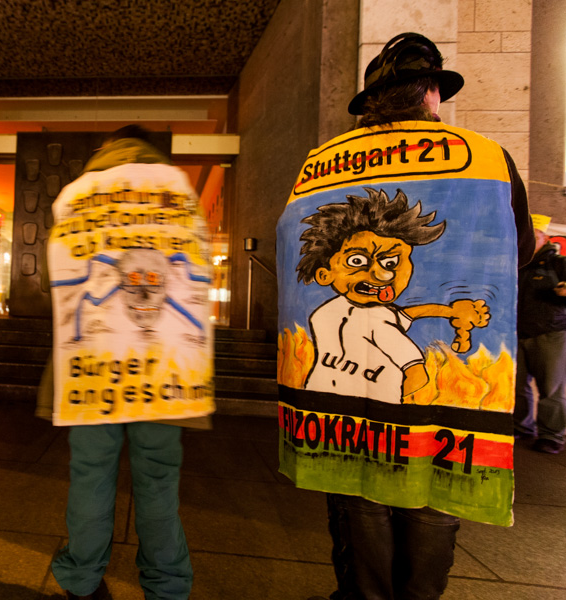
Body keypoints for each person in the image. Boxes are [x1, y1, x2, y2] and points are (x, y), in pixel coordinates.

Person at [274, 33, 533, 600]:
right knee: (434, 492)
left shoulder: (321, 163)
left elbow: (288, 246)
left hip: (340, 402)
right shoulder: (487, 156)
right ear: (433, 92)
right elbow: (520, 250)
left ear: (370, 102)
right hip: (443, 401)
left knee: (357, 490)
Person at [42, 125, 212, 600]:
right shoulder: (179, 191)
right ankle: (167, 585)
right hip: (166, 366)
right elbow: (197, 277)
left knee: (90, 473)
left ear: (106, 149)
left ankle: (81, 579)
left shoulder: (77, 195)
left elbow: (62, 278)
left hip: (91, 365)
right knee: (158, 477)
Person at [514, 223, 566, 454]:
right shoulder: (518, 265)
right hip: (519, 334)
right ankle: (521, 426)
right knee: (517, 386)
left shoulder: (559, 263)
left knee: (551, 389)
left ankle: (551, 436)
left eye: (534, 237)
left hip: (550, 334)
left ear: (545, 238)